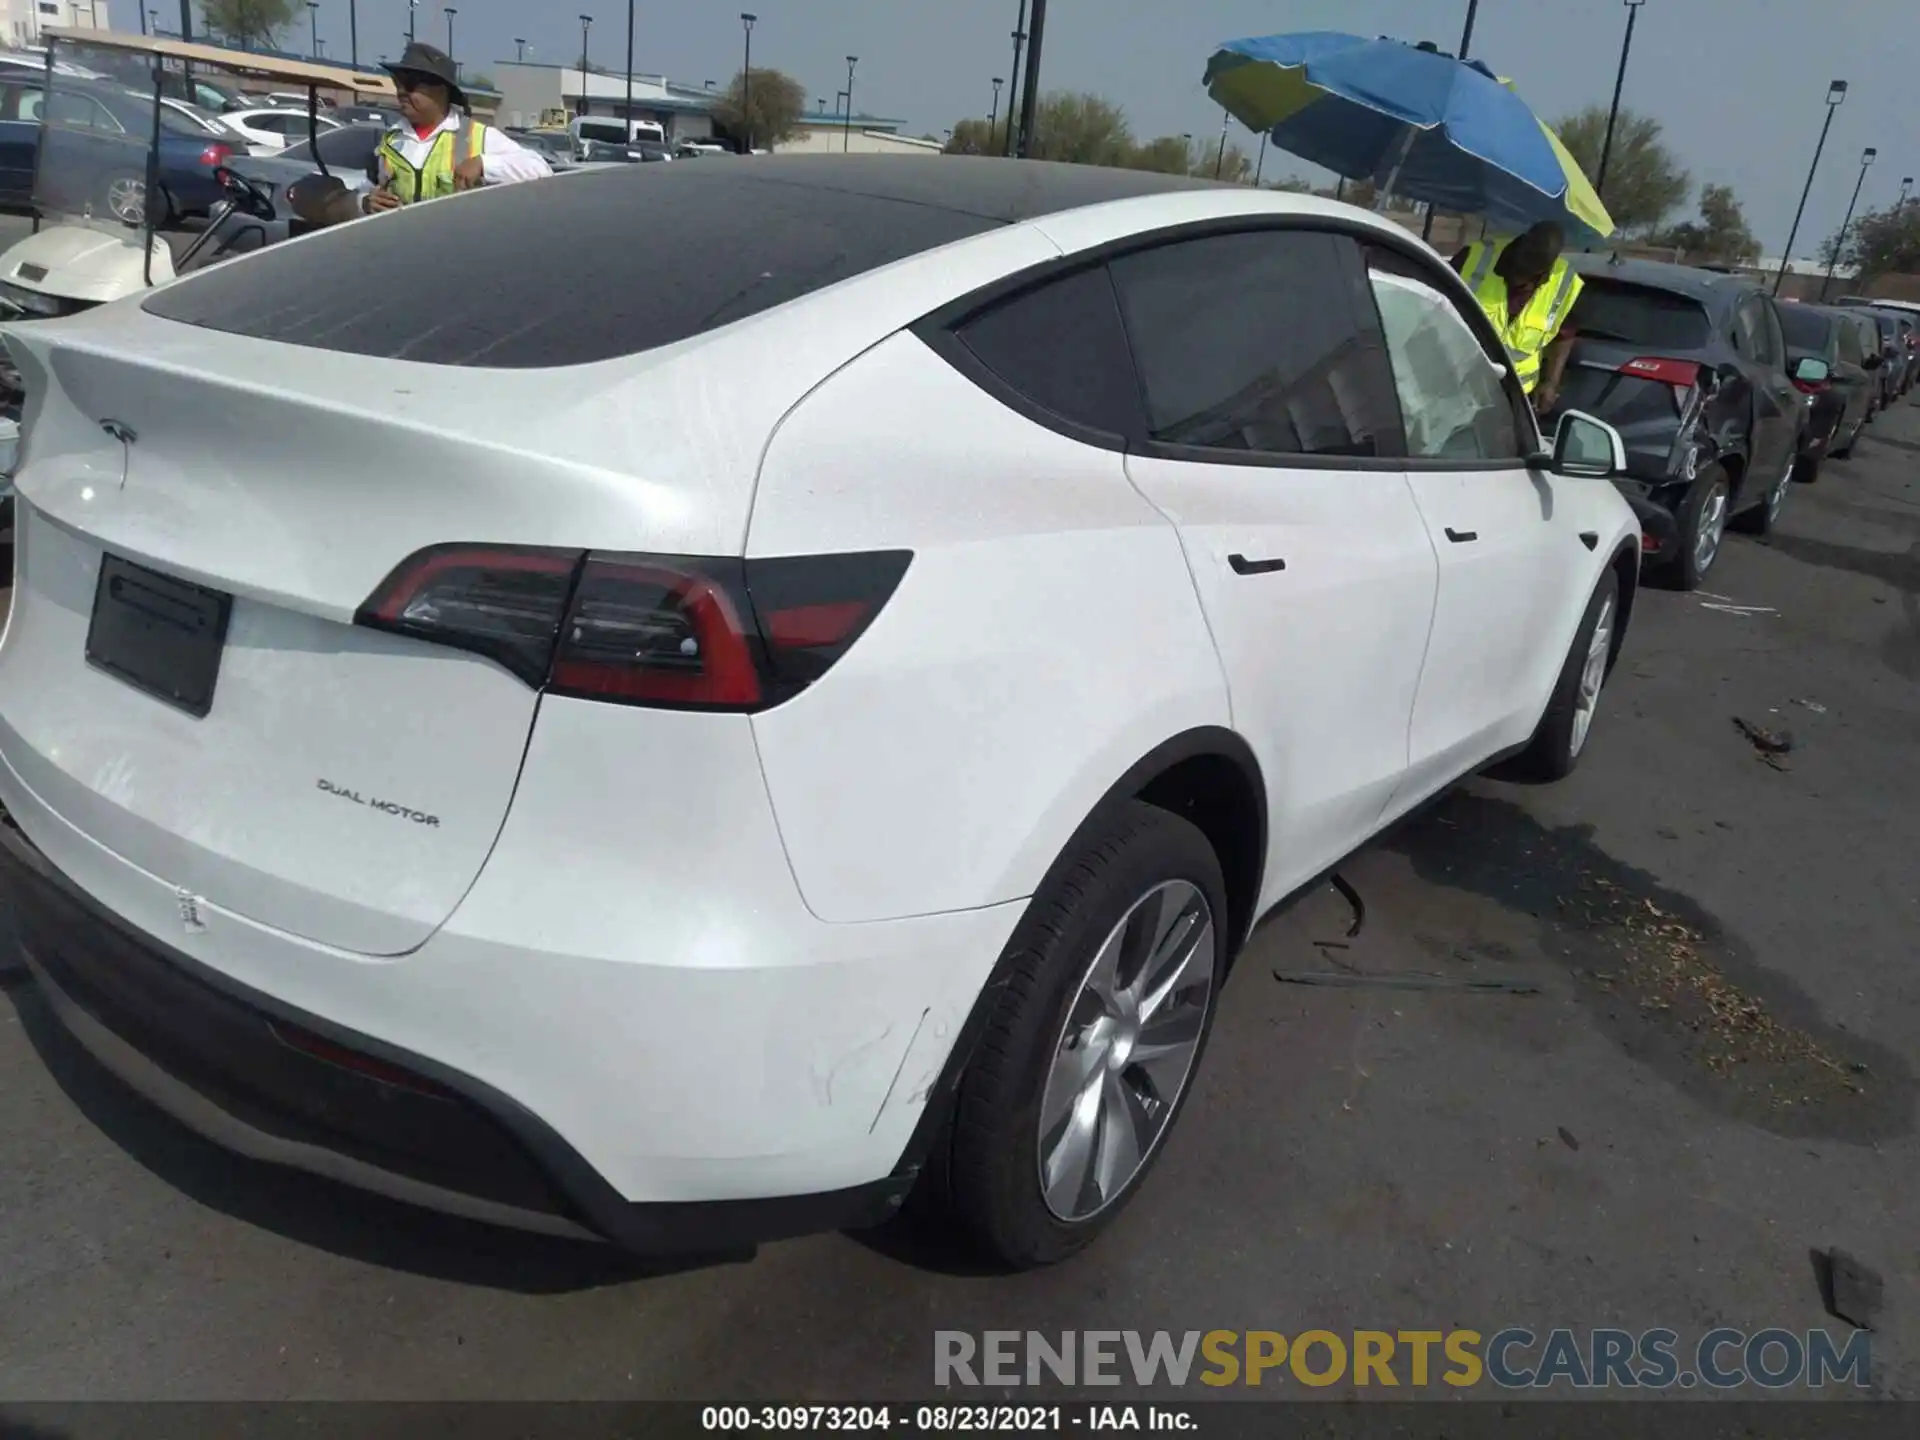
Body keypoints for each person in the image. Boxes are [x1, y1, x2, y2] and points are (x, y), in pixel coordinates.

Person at [362, 42, 550, 215]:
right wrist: (367, 201)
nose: (401, 91)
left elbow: (541, 170)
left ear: (441, 91)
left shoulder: (476, 136)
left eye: (410, 85)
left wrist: (483, 164)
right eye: (398, 83)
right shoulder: (392, 140)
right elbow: (371, 187)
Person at [1451, 221, 1583, 414]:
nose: (1520, 281)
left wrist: (1551, 383)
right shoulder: (1474, 257)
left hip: (1513, 397)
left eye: (1529, 275)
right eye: (1518, 270)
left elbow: (1565, 336)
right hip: (1456, 382)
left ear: (1545, 270)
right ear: (1518, 247)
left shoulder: (1565, 283)